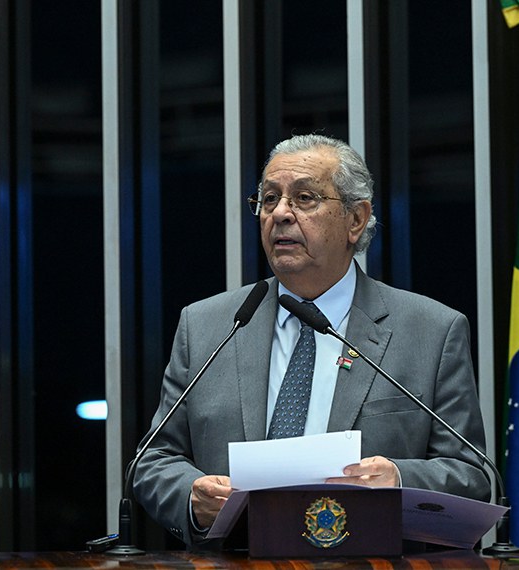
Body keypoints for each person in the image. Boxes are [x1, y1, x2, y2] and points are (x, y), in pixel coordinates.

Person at [132, 134, 490, 547]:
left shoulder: (430, 330)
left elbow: (473, 474)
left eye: (304, 198)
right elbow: (153, 461)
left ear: (356, 220)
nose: (281, 213)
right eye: (269, 199)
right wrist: (193, 497)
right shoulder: (210, 325)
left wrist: (400, 478)